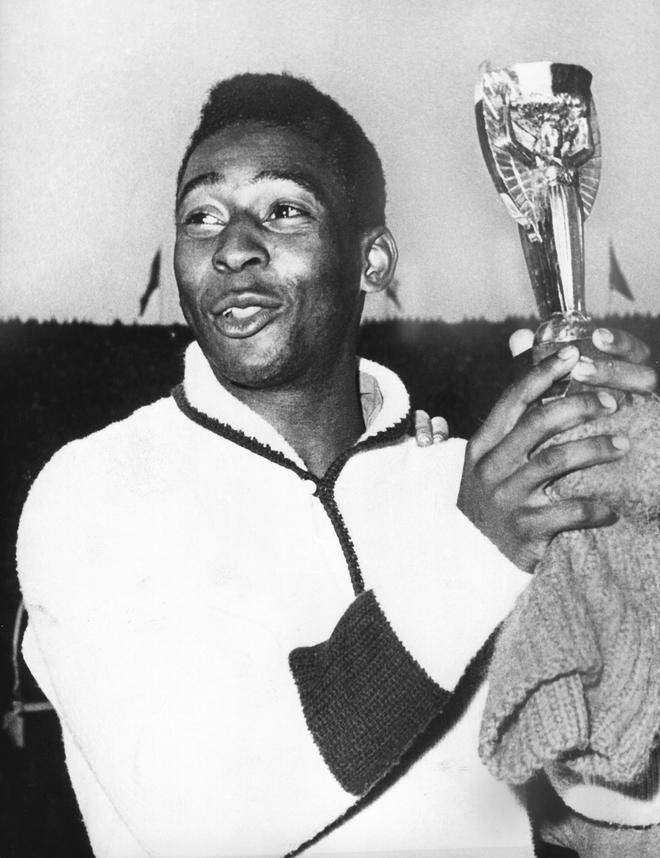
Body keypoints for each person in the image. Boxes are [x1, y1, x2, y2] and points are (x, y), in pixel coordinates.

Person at [16, 73, 656, 858]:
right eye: (200, 216)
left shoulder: (457, 482)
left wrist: (628, 514)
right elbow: (208, 822)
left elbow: (595, 807)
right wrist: (472, 550)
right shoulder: (93, 492)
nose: (233, 247)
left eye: (283, 209)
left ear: (373, 261)